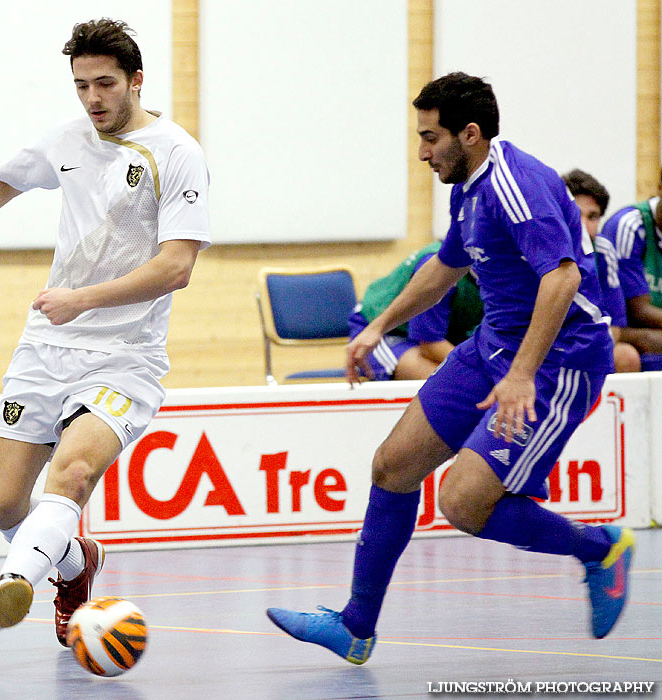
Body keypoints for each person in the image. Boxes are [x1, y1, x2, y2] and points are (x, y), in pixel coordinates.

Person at [266, 72, 634, 664]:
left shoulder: (517, 184)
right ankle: (356, 626)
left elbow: (562, 276)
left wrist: (521, 375)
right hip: (492, 346)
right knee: (393, 465)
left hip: (558, 361)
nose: (421, 152)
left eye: (431, 138)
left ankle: (600, 549)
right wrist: (377, 327)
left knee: (463, 504)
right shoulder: (470, 183)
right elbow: (446, 267)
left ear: (470, 133)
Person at [0, 18, 210, 645]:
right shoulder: (69, 138)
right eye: (81, 86)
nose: (93, 98)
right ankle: (77, 565)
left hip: (125, 357)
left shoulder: (177, 153)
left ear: (136, 81)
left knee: (72, 475)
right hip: (47, 347)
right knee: (1, 504)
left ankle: (8, 582)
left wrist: (83, 299)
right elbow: (2, 182)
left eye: (105, 84)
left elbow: (176, 265)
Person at [349, 241, 483, 380]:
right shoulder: (445, 266)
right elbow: (430, 345)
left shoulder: (499, 272)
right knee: (456, 385)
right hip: (387, 332)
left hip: (444, 336)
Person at [561, 169, 641, 372]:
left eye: (593, 217)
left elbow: (614, 327)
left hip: (586, 343)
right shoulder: (539, 246)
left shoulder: (604, 250)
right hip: (536, 344)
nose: (584, 227)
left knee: (626, 356)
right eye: (576, 215)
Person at [598, 168, 662, 366]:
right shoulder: (630, 226)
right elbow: (638, 311)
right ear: (660, 189)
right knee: (627, 355)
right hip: (623, 327)